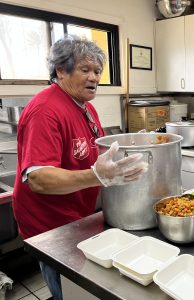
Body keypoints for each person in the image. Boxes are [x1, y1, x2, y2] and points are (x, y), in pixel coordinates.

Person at [13, 35, 148, 300]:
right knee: (68, 288)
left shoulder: (85, 107)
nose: (94, 78)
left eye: (97, 71)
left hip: (77, 216)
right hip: (50, 225)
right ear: (61, 71)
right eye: (84, 70)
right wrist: (96, 176)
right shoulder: (45, 110)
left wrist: (131, 144)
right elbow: (38, 178)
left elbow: (94, 149)